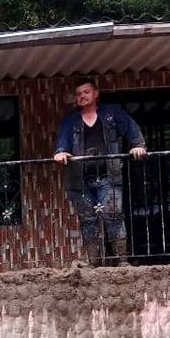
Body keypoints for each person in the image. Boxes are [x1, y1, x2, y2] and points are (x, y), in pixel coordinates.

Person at [53, 76, 147, 266]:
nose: (82, 96)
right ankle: (94, 263)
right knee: (88, 220)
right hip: (80, 180)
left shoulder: (112, 113)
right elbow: (62, 141)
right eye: (79, 94)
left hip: (108, 176)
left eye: (86, 92)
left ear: (96, 94)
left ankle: (122, 261)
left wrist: (138, 145)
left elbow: (131, 128)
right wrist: (61, 152)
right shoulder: (70, 120)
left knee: (113, 215)